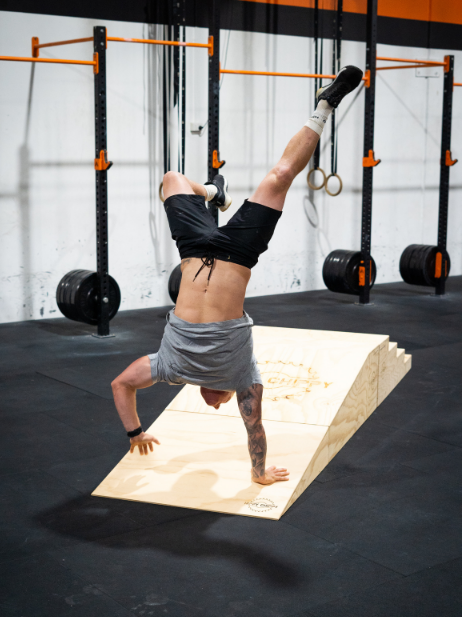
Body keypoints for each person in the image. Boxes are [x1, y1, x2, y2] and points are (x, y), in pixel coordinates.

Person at [111, 65, 363, 485]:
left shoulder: (170, 368)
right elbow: (255, 429)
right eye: (220, 405)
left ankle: (213, 193)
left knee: (172, 178)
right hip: (239, 254)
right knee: (281, 177)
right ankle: (325, 105)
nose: (214, 406)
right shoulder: (244, 379)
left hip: (193, 251)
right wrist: (259, 473)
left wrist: (135, 432)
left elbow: (122, 385)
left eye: (213, 404)